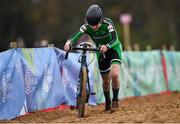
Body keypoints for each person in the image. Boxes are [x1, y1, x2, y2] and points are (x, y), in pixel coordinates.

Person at [64, 4, 123, 111]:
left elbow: (115, 39)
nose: (94, 27)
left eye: (96, 24)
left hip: (113, 49)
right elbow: (75, 35)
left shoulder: (107, 23)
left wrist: (107, 46)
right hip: (100, 52)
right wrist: (69, 42)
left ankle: (115, 100)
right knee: (105, 80)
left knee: (114, 75)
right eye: (91, 25)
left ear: (101, 20)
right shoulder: (87, 27)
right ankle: (108, 101)